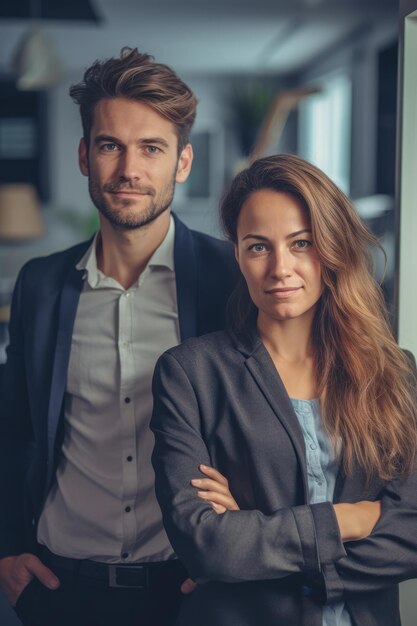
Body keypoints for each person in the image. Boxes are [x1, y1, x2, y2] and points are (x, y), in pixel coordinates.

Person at [0, 47, 237, 626]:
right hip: (59, 586)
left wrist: (240, 542)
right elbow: (14, 426)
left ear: (183, 162)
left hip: (186, 590)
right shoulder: (40, 283)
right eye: (110, 145)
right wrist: (6, 547)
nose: (129, 169)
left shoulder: (233, 278)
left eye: (152, 148)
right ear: (85, 155)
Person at [151, 153, 417, 626]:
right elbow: (208, 546)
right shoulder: (190, 374)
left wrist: (260, 541)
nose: (280, 268)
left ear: (330, 248)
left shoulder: (395, 373)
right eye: (258, 246)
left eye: (301, 243)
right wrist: (350, 519)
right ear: (236, 253)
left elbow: (412, 532)